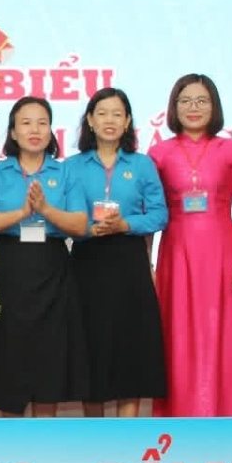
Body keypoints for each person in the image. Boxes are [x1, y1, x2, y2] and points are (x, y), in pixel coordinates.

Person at [0, 96, 89, 417]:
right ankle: (12, 438)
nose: (34, 130)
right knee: (8, 355)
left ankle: (44, 437)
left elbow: (80, 224)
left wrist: (45, 209)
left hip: (52, 269)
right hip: (8, 268)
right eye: (26, 123)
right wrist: (23, 212)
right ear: (13, 132)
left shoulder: (65, 173)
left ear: (51, 131)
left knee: (50, 358)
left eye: (42, 123)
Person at [149, 74, 232, 417]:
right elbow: (150, 213)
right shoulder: (159, 153)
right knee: (176, 332)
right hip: (176, 251)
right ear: (174, 107)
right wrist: (147, 263)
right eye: (185, 101)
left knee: (221, 332)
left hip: (222, 252)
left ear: (214, 106)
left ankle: (227, 415)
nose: (193, 108)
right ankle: (178, 415)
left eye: (202, 101)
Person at [66, 88, 168, 418]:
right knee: (91, 348)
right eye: (102, 113)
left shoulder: (142, 165)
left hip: (129, 262)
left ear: (127, 122)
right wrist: (87, 229)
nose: (110, 120)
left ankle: (128, 435)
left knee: (130, 351)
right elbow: (63, 215)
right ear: (90, 121)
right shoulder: (72, 167)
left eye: (117, 114)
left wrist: (126, 224)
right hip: (87, 263)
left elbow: (160, 214)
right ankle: (95, 435)